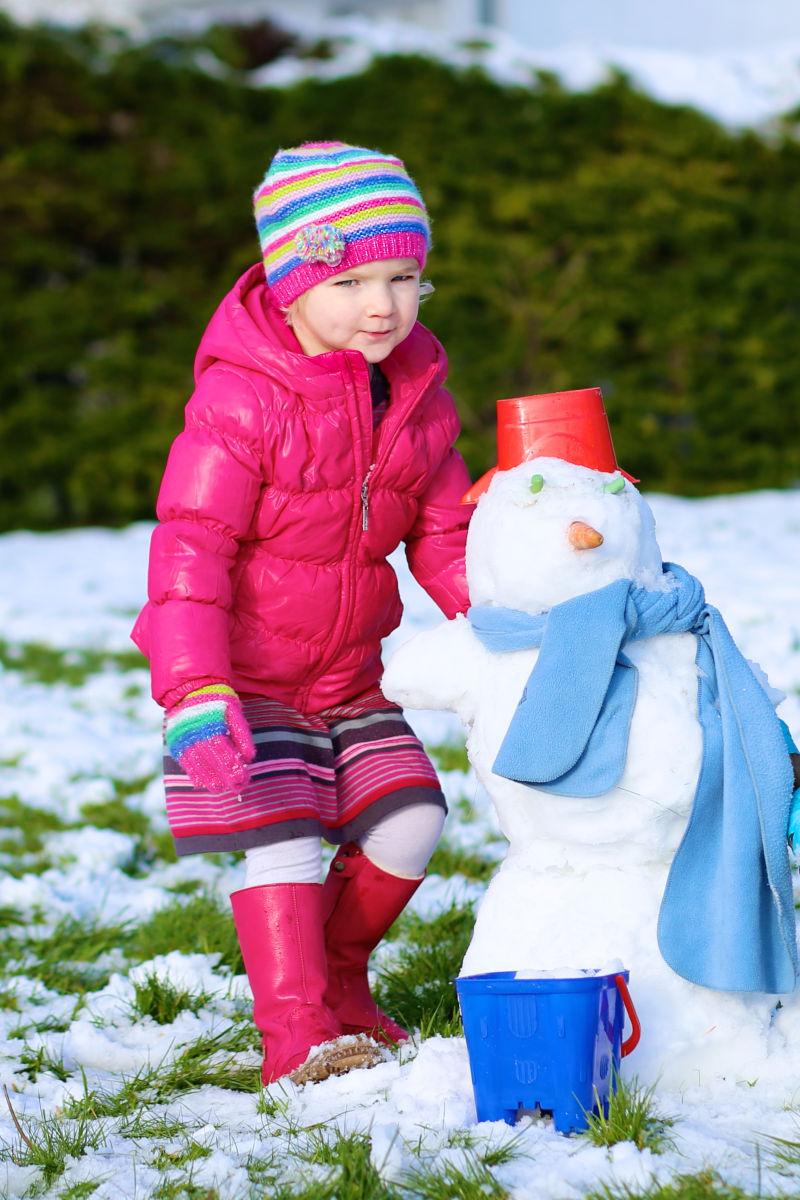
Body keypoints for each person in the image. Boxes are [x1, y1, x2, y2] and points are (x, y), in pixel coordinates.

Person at [131, 141, 474, 1086]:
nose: (383, 304)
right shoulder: (241, 401)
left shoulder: (415, 398)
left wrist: (503, 625)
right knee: (280, 832)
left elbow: (444, 532)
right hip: (242, 684)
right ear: (289, 289)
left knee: (410, 820)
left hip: (348, 676)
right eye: (353, 279)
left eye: (405, 277)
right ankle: (298, 1039)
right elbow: (189, 549)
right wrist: (195, 687)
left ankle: (339, 974)